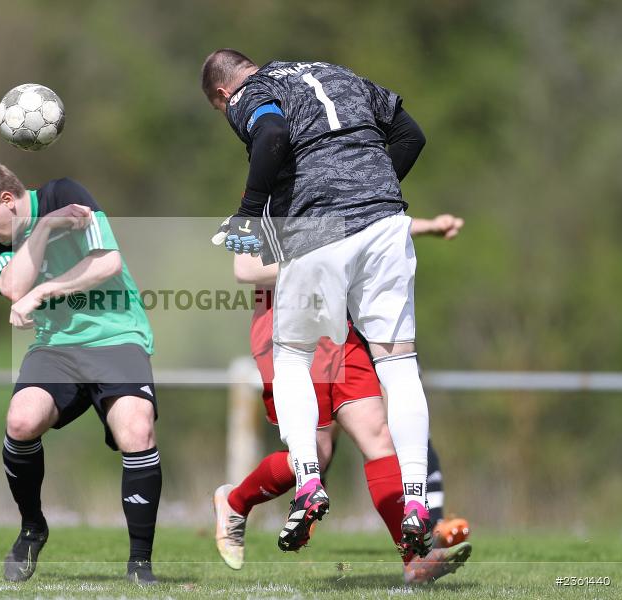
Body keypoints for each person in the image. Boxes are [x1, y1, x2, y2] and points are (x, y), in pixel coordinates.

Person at [201, 48, 437, 555]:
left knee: (294, 358)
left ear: (224, 94)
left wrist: (247, 212)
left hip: (320, 228)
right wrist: (370, 190)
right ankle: (417, 498)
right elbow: (412, 135)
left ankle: (308, 481)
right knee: (400, 362)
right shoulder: (339, 73)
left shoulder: (252, 94)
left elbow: (271, 135)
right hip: (385, 221)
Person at [212, 215, 472, 584]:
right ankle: (234, 503)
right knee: (316, 454)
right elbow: (246, 267)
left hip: (337, 332)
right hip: (288, 332)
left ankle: (415, 559)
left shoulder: (332, 176)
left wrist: (424, 227)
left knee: (378, 434)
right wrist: (317, 263)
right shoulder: (267, 192)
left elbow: (366, 227)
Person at [0, 161, 161, 585]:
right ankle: (32, 528)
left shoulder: (65, 193)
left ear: (7, 200)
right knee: (21, 420)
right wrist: (43, 229)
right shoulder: (0, 238)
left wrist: (47, 289)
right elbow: (14, 288)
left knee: (136, 431)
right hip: (57, 347)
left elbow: (108, 263)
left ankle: (140, 563)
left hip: (117, 336)